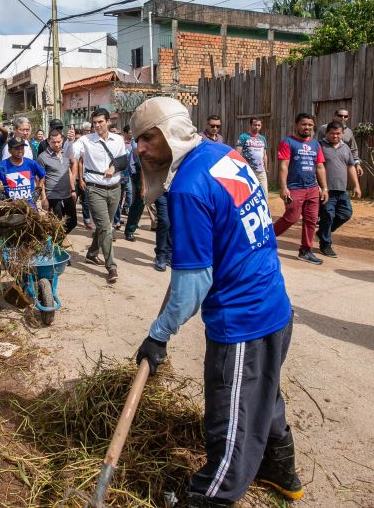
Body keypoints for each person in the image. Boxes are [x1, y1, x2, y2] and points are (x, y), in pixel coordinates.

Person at [131, 97, 302, 507]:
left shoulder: (189, 188)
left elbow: (192, 284)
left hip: (244, 321)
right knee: (263, 398)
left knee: (231, 422)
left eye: (147, 138)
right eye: (136, 140)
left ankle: (208, 497)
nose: (139, 148)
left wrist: (158, 336)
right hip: (275, 306)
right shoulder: (222, 153)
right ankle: (282, 473)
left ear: (171, 133)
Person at [75, 108, 128, 284]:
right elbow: (73, 153)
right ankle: (111, 267)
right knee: (106, 227)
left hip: (115, 188)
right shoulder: (85, 140)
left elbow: (122, 161)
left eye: (100, 122)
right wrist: (69, 143)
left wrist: (113, 168)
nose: (97, 125)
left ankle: (91, 253)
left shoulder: (118, 140)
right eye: (94, 122)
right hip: (94, 188)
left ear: (108, 122)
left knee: (104, 226)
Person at [273, 113, 329, 265]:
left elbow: (320, 167)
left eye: (310, 125)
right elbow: (284, 166)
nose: (307, 127)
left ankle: (305, 251)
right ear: (297, 125)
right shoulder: (288, 142)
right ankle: (265, 239)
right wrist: (283, 187)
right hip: (294, 188)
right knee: (291, 217)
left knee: (311, 220)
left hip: (312, 188)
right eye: (304, 124)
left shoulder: (316, 145)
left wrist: (324, 188)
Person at [317, 121, 362, 257]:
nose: (335, 136)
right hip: (326, 189)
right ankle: (325, 245)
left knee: (346, 213)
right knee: (328, 216)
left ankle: (322, 233)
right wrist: (320, 187)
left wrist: (356, 185)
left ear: (343, 134)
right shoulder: (319, 146)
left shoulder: (346, 148)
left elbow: (350, 167)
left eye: (338, 133)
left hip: (341, 190)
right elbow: (315, 168)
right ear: (327, 133)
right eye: (332, 133)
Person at [37, 129, 77, 233]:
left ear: (62, 140)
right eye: (53, 142)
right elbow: (40, 179)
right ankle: (56, 244)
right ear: (48, 141)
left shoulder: (65, 153)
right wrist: (44, 198)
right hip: (53, 196)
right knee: (55, 224)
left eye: (59, 142)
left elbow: (68, 171)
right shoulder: (42, 157)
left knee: (72, 222)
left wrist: (73, 190)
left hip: (67, 194)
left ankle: (60, 239)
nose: (56, 144)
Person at [0, 137, 46, 207]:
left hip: (30, 208)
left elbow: (42, 175)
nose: (20, 151)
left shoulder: (31, 163)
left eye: (22, 148)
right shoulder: (1, 166)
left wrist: (38, 188)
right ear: (9, 151)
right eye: (17, 149)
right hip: (11, 208)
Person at [316, 109, 363, 178]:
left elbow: (353, 149)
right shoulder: (323, 128)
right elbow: (315, 145)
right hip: (324, 165)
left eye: (345, 116)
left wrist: (357, 164)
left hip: (341, 167)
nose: (343, 118)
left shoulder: (348, 132)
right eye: (340, 115)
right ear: (334, 116)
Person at [65, 122, 93, 230]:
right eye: (76, 138)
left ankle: (87, 220)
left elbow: (82, 162)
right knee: (72, 200)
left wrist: (82, 179)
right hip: (73, 179)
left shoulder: (86, 147)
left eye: (79, 139)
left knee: (86, 200)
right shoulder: (69, 146)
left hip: (85, 178)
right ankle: (70, 220)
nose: (78, 141)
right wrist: (77, 179)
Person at [235, 117, 269, 196]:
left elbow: (264, 155)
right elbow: (237, 153)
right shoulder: (244, 137)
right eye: (255, 125)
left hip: (261, 171)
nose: (257, 127)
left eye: (259, 125)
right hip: (248, 171)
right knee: (249, 194)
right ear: (251, 125)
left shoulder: (262, 138)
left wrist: (266, 168)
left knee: (264, 193)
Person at [123, 124, 145, 242]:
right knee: (139, 201)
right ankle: (130, 229)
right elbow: (139, 154)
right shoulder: (136, 138)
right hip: (139, 172)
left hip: (157, 174)